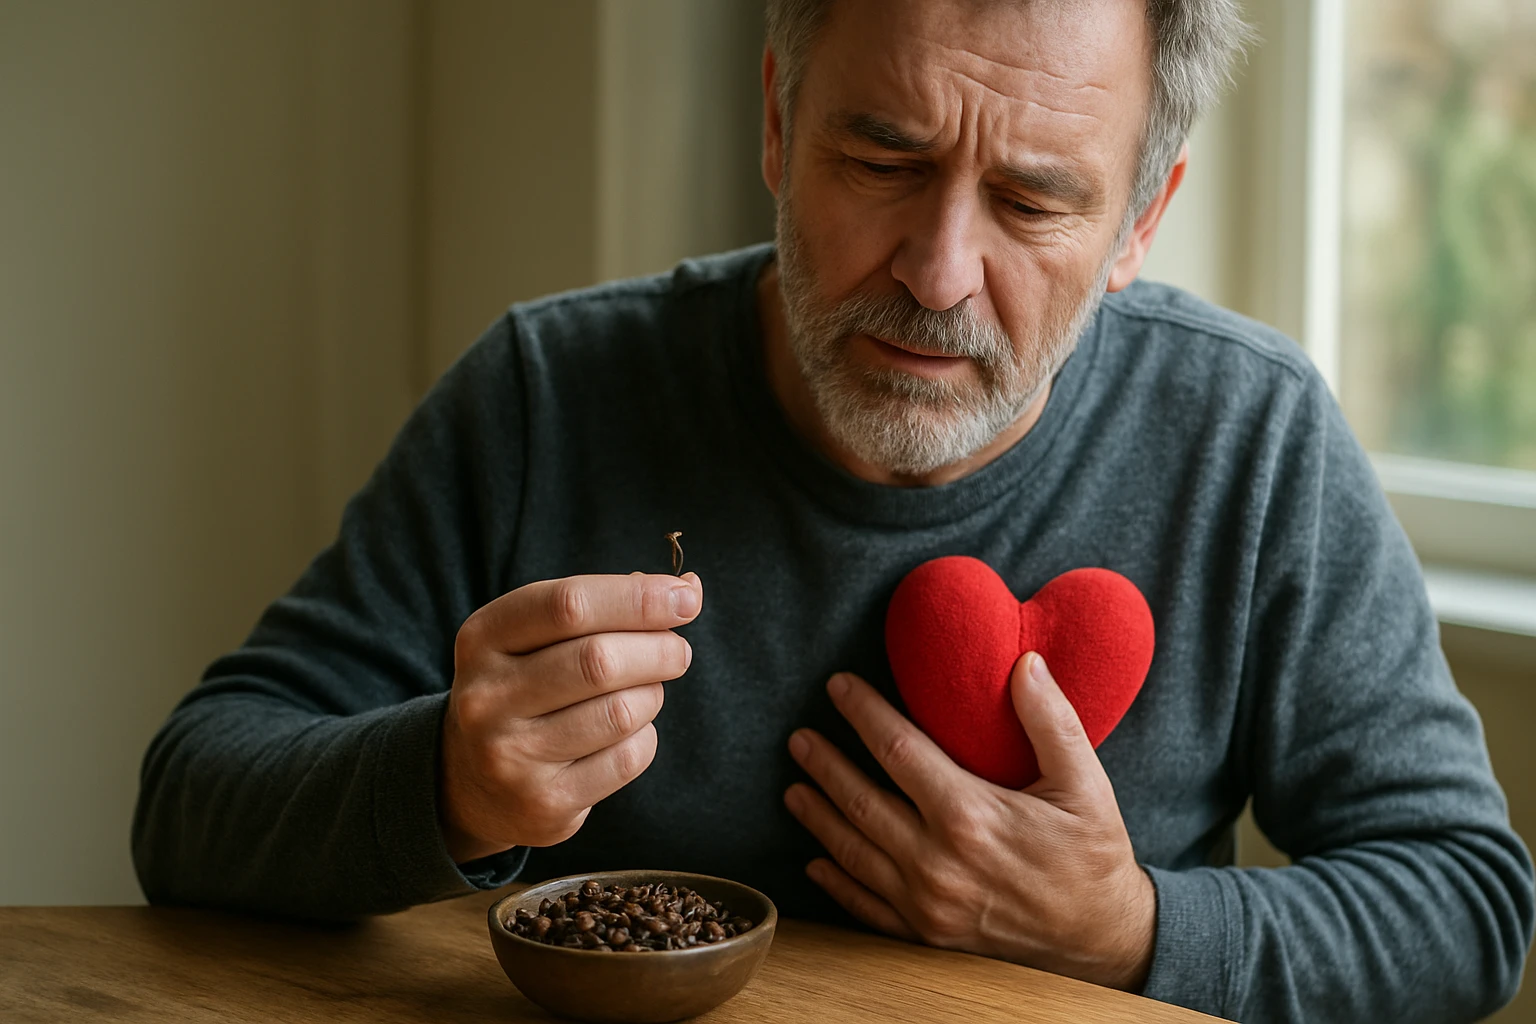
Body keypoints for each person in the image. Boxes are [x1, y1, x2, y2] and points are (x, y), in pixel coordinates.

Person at [132, 0, 1535, 1020]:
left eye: (1036, 202)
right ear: (776, 123)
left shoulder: (1253, 436)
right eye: (884, 159)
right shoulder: (546, 395)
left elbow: (1470, 906)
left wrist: (1133, 929)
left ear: (1139, 223)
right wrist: (442, 775)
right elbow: (194, 799)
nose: (936, 271)